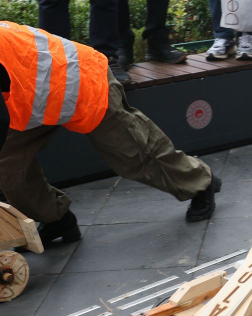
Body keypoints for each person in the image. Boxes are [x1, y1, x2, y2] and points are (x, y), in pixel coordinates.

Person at [0, 22, 221, 246]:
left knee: (135, 154)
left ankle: (200, 181)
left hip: (81, 81)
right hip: (29, 97)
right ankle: (56, 218)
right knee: (9, 166)